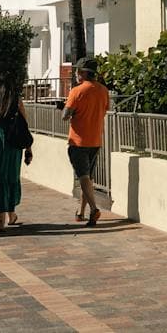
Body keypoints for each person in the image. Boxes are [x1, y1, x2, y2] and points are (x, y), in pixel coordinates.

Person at [0, 71, 33, 233]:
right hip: (14, 146)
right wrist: (28, 148)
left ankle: (1, 220)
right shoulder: (16, 101)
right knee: (11, 178)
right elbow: (24, 126)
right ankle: (11, 214)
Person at [63, 58, 110, 227]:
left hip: (78, 141)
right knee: (88, 178)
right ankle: (81, 212)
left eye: (77, 71)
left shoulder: (76, 91)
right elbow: (104, 109)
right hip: (95, 140)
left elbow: (65, 116)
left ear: (83, 73)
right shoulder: (103, 90)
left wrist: (67, 109)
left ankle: (94, 209)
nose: (75, 74)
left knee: (82, 177)